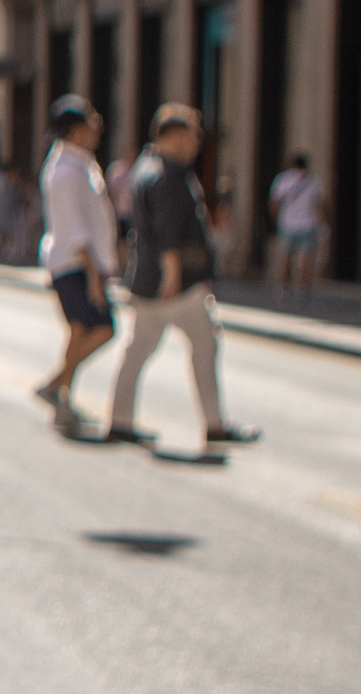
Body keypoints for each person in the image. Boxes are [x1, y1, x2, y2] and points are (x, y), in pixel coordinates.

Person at [108, 105, 261, 451]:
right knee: (206, 345)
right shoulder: (169, 176)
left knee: (137, 352)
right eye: (192, 135)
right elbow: (169, 232)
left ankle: (119, 421)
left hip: (149, 282)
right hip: (173, 286)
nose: (196, 143)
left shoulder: (145, 169)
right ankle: (214, 425)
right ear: (174, 135)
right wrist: (174, 275)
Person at [33, 95, 121, 435]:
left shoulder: (79, 163)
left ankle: (61, 398)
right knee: (102, 328)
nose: (98, 126)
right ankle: (54, 385)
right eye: (91, 121)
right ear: (75, 129)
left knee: (81, 330)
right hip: (75, 264)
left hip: (81, 264)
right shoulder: (66, 171)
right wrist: (94, 276)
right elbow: (74, 229)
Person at [268, 150, 328, 303]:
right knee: (306, 260)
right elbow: (320, 204)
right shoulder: (313, 181)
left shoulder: (283, 179)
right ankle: (303, 289)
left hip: (287, 224)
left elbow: (274, 203)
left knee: (286, 258)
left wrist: (275, 219)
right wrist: (324, 223)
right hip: (307, 225)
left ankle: (283, 288)